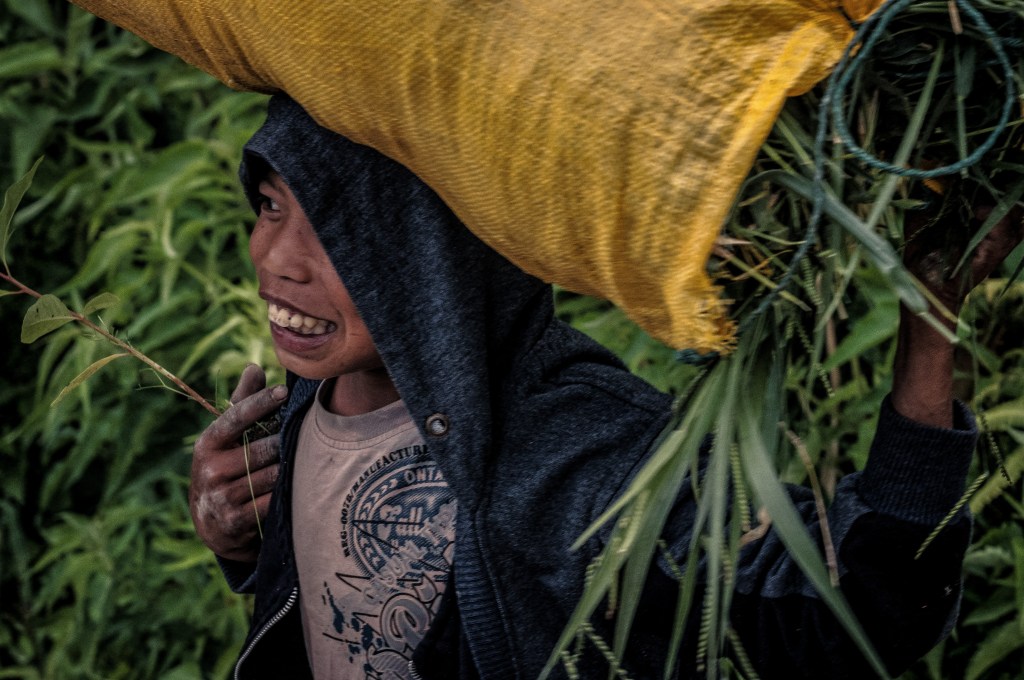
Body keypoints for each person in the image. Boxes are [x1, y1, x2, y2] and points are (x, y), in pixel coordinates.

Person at [190, 95, 1022, 679]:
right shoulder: (311, 401)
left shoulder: (576, 451)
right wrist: (245, 543)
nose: (275, 260)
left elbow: (867, 614)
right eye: (270, 205)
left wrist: (930, 318)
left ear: (442, 257)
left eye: (336, 232)